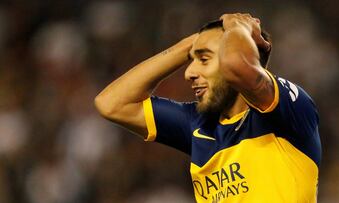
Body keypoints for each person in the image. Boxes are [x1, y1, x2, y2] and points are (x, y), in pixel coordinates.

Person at [94, 13, 321, 203]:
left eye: (204, 60)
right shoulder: (199, 123)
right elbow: (111, 103)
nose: (189, 73)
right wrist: (191, 44)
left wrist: (236, 25)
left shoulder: (290, 108)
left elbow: (236, 66)